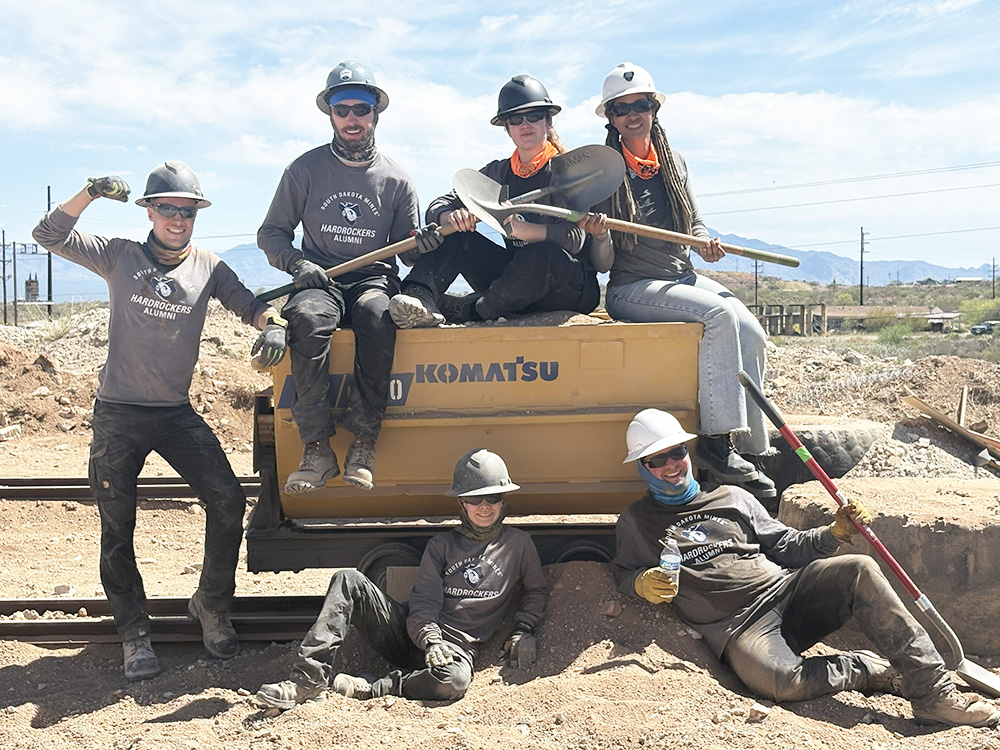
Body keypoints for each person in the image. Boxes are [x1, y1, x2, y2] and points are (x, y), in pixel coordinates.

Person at [32, 162, 288, 681]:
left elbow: (247, 303)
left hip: (173, 414)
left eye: (186, 210)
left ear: (195, 215)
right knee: (117, 525)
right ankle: (134, 634)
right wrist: (89, 191)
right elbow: (48, 234)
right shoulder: (120, 255)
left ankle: (211, 606)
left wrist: (273, 322)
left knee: (228, 498)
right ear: (148, 211)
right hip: (119, 415)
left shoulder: (210, 267)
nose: (177, 218)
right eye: (167, 208)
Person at [611, 407, 1000, 728]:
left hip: (788, 591)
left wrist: (834, 532)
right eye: (657, 460)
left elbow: (786, 545)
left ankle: (933, 694)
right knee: (780, 683)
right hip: (738, 626)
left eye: (676, 453)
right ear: (643, 468)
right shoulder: (636, 520)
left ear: (687, 453)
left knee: (858, 568)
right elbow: (623, 572)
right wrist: (641, 582)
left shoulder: (732, 496)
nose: (671, 465)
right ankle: (865, 670)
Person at [591, 62, 773, 500]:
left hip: (682, 275)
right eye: (621, 108)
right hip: (632, 288)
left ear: (654, 109)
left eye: (641, 105)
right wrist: (599, 234)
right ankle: (715, 443)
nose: (632, 114)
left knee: (750, 330)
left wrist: (705, 242)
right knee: (717, 314)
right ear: (611, 119)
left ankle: (752, 449)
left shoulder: (674, 162)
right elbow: (601, 263)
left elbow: (695, 225)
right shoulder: (603, 173)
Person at [256, 448, 549, 708]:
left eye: (493, 497)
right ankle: (308, 680)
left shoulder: (518, 545)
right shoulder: (442, 546)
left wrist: (524, 629)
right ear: (462, 503)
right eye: (475, 498)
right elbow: (424, 602)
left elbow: (536, 590)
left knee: (455, 682)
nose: (485, 505)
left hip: (456, 651)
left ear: (503, 501)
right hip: (409, 636)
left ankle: (376, 687)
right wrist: (431, 640)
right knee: (348, 579)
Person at [258, 60, 431, 493]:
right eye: (342, 108)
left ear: (376, 113)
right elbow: (272, 233)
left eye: (362, 108)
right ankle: (316, 448)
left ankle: (363, 442)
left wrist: (424, 246)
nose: (352, 118)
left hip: (373, 280)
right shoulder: (305, 170)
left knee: (378, 316)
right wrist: (298, 265)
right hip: (320, 281)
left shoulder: (398, 181)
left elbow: (406, 255)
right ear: (329, 114)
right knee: (308, 321)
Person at [388, 74, 602, 328]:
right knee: (459, 235)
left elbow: (576, 240)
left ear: (548, 121)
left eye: (534, 115)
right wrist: (450, 217)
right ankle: (417, 296)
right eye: (515, 119)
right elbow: (440, 204)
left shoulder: (568, 172)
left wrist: (530, 232)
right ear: (507, 128)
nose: (525, 124)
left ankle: (470, 309)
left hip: (567, 286)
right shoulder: (499, 173)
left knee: (541, 254)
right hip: (513, 284)